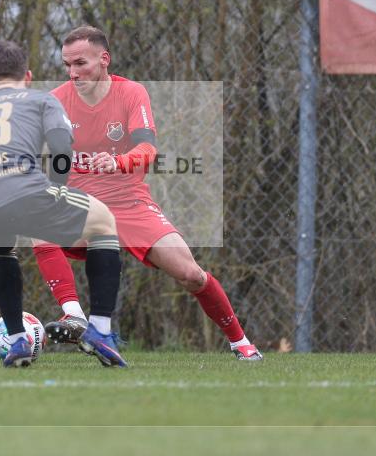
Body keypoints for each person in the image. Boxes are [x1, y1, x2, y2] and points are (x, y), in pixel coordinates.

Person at [34, 26, 263, 361]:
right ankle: (75, 317)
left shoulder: (131, 93)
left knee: (190, 274)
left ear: (104, 60)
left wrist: (118, 161)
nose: (73, 72)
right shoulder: (56, 101)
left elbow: (147, 148)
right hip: (82, 202)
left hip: (130, 202)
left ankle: (240, 341)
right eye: (67, 65)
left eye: (80, 63)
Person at [0, 39, 127, 367]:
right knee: (104, 222)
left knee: (1, 248)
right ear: (28, 76)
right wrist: (58, 192)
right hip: (25, 194)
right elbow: (62, 150)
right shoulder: (42, 101)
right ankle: (99, 330)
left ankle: (18, 342)